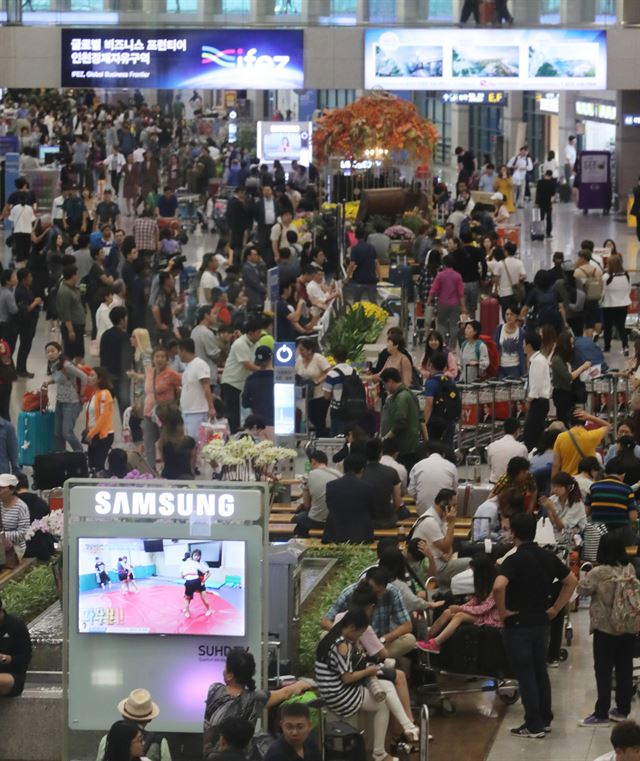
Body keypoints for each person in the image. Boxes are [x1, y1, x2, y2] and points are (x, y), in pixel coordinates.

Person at [493, 513, 578, 738]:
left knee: (526, 674)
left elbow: (499, 586)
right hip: (542, 622)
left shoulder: (513, 560)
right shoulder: (548, 557)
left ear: (514, 534)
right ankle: (545, 718)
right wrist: (555, 608)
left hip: (518, 623)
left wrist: (503, 613)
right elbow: (571, 581)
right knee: (540, 671)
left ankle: (533, 724)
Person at [315, 609, 419, 761]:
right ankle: (381, 751)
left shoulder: (331, 636)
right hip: (339, 695)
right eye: (360, 633)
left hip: (329, 690)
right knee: (382, 704)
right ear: (351, 627)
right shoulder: (342, 645)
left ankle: (405, 728)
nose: (359, 636)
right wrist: (369, 671)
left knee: (385, 686)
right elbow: (347, 678)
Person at [203, 648, 309, 757]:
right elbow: (285, 693)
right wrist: (302, 684)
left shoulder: (214, 689)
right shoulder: (255, 699)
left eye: (225, 667)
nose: (223, 670)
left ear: (230, 675)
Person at [578, 533, 637, 726]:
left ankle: (601, 712)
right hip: (627, 627)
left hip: (605, 628)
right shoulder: (629, 568)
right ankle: (622, 710)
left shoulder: (599, 572)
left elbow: (582, 589)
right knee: (624, 669)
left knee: (603, 670)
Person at [322, 565, 415, 658]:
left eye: (380, 592)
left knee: (409, 640)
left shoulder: (392, 592)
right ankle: (362, 658)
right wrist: (349, 637)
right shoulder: (349, 593)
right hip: (352, 642)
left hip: (380, 642)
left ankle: (368, 659)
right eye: (374, 591)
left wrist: (383, 639)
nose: (377, 596)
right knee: (325, 635)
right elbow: (325, 621)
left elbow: (407, 625)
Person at [418, 553, 502, 653]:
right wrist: (459, 607)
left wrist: (461, 609)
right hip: (480, 612)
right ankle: (426, 639)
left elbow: (484, 608)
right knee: (447, 612)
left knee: (459, 616)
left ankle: (436, 643)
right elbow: (475, 601)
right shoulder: (483, 583)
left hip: (491, 616)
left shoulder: (496, 584)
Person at [412, 488, 470, 590]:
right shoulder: (430, 521)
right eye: (454, 505)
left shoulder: (439, 518)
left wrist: (447, 553)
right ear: (443, 504)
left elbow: (449, 545)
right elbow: (446, 547)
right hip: (430, 567)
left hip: (439, 561)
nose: (455, 509)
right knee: (471, 563)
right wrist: (452, 523)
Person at [96, 688, 172, 761]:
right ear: (150, 719)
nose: (143, 743)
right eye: (139, 740)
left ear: (124, 715)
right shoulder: (160, 741)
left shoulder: (107, 739)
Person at [220, 319, 262, 434]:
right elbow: (247, 364)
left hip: (244, 385)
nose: (260, 335)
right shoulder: (240, 343)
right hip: (232, 383)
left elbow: (258, 361)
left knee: (244, 415)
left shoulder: (256, 344)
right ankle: (232, 439)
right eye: (258, 332)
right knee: (232, 415)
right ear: (251, 333)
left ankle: (243, 437)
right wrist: (264, 371)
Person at [323, 454, 375, 545]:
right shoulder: (367, 487)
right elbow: (372, 510)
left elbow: (329, 506)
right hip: (361, 536)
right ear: (362, 470)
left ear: (344, 468)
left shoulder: (331, 485)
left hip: (335, 534)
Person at [45, 341, 87, 453]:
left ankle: (79, 453)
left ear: (59, 351)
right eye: (48, 352)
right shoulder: (52, 364)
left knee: (67, 433)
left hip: (72, 402)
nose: (50, 354)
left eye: (52, 351)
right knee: (57, 433)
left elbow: (84, 377)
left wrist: (82, 394)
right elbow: (60, 378)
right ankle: (61, 455)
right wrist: (49, 382)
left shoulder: (66, 365)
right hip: (60, 401)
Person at [379, 368, 422, 473]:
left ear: (390, 381)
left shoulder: (401, 398)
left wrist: (385, 440)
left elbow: (400, 422)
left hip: (404, 446)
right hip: (412, 444)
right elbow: (421, 419)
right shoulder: (410, 394)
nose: (384, 387)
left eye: (384, 384)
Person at [323, 345, 367, 436]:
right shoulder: (354, 371)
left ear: (334, 357)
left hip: (338, 411)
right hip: (354, 408)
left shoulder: (332, 373)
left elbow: (326, 396)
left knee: (338, 439)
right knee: (351, 436)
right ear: (346, 357)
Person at [293, 450, 339, 537]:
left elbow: (306, 505)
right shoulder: (338, 475)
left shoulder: (308, 476)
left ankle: (303, 543)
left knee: (300, 518)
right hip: (336, 520)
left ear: (313, 461)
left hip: (317, 521)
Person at [552, 408, 610, 477]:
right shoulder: (592, 436)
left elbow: (556, 464)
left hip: (567, 480)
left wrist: (553, 483)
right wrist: (589, 417)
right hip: (586, 479)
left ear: (569, 423)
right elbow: (608, 426)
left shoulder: (561, 437)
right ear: (585, 422)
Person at [550, 333, 592, 426]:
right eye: (571, 344)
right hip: (561, 394)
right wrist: (582, 368)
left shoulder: (567, 358)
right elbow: (568, 377)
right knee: (563, 419)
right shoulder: (556, 360)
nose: (572, 347)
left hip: (569, 393)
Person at [586, 458, 638, 533]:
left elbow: (586, 512)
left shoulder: (593, 487)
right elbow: (633, 517)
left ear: (605, 473)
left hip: (597, 534)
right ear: (623, 474)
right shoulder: (627, 490)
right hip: (620, 535)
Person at [178, 338, 215, 441]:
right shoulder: (188, 367)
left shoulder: (199, 364)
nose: (178, 355)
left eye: (179, 351)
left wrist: (211, 407)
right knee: (189, 443)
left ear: (183, 350)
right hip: (187, 411)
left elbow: (206, 386)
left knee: (197, 442)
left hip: (197, 411)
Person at [422, 352, 460, 449]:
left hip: (435, 422)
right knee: (448, 447)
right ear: (445, 367)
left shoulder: (431, 382)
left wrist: (424, 423)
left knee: (434, 448)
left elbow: (429, 404)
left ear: (430, 365)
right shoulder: (450, 381)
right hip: (449, 420)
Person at [408, 442, 458, 516]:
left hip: (423, 511)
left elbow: (411, 491)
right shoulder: (451, 466)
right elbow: (455, 491)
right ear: (444, 454)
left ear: (427, 454)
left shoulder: (417, 466)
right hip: (445, 512)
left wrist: (420, 498)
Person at [100, 306, 132, 417]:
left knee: (104, 405)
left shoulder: (105, 335)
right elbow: (127, 357)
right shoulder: (125, 337)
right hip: (121, 376)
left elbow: (102, 355)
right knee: (125, 406)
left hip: (107, 374)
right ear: (122, 320)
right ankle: (126, 429)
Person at [427, 256, 466, 349]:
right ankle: (452, 347)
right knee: (454, 326)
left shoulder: (440, 275)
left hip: (442, 304)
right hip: (455, 304)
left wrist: (429, 301)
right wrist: (463, 307)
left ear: (444, 264)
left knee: (441, 324)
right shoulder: (458, 276)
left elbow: (433, 289)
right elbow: (461, 293)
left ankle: (442, 344)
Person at [295, 339, 331, 438]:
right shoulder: (298, 360)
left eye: (302, 350)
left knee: (319, 420)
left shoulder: (318, 358)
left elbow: (329, 371)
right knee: (311, 418)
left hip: (320, 395)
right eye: (299, 350)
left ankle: (322, 440)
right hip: (306, 396)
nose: (300, 352)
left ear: (310, 350)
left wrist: (318, 381)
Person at [522, 333, 551, 451]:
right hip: (540, 401)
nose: (523, 346)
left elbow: (536, 384)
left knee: (530, 434)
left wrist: (529, 400)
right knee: (537, 432)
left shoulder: (538, 361)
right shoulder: (537, 360)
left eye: (524, 344)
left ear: (529, 346)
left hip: (539, 401)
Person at [540, 471, 587, 543]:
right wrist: (548, 509)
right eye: (554, 486)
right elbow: (554, 524)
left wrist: (552, 510)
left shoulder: (577, 504)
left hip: (576, 538)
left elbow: (562, 528)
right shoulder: (553, 499)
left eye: (559, 486)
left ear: (568, 487)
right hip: (560, 536)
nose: (555, 489)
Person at [84, 366, 115, 474]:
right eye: (89, 375)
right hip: (94, 435)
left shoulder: (104, 394)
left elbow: (103, 417)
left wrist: (91, 434)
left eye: (92, 375)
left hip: (102, 436)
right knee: (92, 466)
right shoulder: (94, 394)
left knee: (99, 467)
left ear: (100, 379)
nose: (89, 377)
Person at [14, 267, 42, 378]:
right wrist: (35, 302)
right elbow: (25, 309)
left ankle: (22, 368)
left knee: (27, 346)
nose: (31, 279)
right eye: (29, 277)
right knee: (24, 346)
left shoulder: (28, 289)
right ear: (23, 279)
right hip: (25, 324)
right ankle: (21, 369)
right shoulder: (20, 291)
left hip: (31, 322)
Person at [601, 254, 631, 356]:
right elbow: (628, 289)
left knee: (608, 327)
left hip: (609, 305)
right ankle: (625, 346)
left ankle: (607, 347)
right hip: (623, 304)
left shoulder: (606, 277)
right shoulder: (626, 275)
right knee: (621, 326)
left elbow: (602, 292)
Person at [241, 346, 274, 436]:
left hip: (257, 427)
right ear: (271, 358)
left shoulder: (251, 379)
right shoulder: (278, 379)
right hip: (277, 424)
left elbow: (245, 403)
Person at [56, 264, 86, 359]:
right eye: (76, 274)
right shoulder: (64, 292)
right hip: (73, 326)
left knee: (79, 353)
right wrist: (71, 330)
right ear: (73, 276)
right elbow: (66, 313)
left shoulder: (73, 288)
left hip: (78, 325)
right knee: (70, 353)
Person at [486, 418, 529, 484]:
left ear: (504, 430)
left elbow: (490, 466)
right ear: (518, 430)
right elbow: (525, 469)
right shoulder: (522, 448)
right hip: (512, 485)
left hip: (494, 483)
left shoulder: (491, 446)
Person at [0, 474, 29, 564]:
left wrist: (3, 536)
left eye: (1, 488)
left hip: (15, 548)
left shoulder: (21, 507)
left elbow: (23, 533)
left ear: (12, 489)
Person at [191, 305, 221, 387]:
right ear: (206, 315)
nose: (216, 316)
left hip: (197, 372)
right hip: (208, 374)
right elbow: (214, 354)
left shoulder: (194, 330)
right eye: (213, 314)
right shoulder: (207, 333)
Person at [348, 226, 379, 303]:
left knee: (356, 300)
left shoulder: (354, 248)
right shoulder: (371, 248)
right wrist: (380, 278)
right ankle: (376, 314)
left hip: (359, 279)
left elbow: (352, 264)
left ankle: (355, 314)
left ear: (355, 236)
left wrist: (348, 277)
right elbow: (376, 263)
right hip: (371, 278)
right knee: (373, 301)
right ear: (365, 235)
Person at [493, 305, 525, 378]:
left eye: (511, 314)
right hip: (501, 366)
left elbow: (523, 351)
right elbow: (494, 347)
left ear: (516, 316)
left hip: (515, 367)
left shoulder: (521, 332)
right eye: (507, 314)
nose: (509, 317)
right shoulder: (499, 329)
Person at [181, 549, 211, 619]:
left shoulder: (202, 563)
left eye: (198, 555)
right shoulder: (190, 563)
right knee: (188, 598)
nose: (196, 557)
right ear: (192, 556)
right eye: (195, 555)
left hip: (200, 583)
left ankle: (209, 609)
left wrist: (203, 581)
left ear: (200, 556)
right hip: (192, 582)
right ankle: (186, 609)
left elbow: (209, 573)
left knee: (203, 599)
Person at [535, 170, 556, 238]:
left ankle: (539, 233)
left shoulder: (539, 182)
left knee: (540, 218)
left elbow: (537, 192)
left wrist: (536, 202)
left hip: (540, 202)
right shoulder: (551, 183)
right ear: (551, 175)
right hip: (548, 202)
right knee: (549, 218)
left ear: (545, 174)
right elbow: (553, 193)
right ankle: (548, 233)